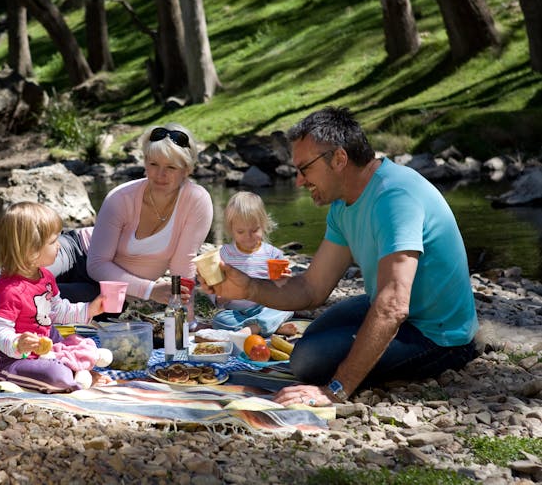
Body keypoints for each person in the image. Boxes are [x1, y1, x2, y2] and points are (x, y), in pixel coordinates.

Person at [200, 106, 479, 407]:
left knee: (309, 361)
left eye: (304, 168)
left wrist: (335, 389)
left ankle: (455, 355)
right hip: (395, 307)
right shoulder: (344, 205)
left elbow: (394, 305)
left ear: (339, 159)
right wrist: (248, 287)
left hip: (439, 335)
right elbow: (311, 288)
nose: (298, 181)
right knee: (308, 347)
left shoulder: (395, 197)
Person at [0, 122, 213, 307]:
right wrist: (150, 290)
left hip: (113, 289)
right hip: (77, 252)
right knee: (20, 272)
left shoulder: (197, 202)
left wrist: (187, 326)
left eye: (171, 167)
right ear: (144, 163)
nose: (161, 174)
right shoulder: (121, 197)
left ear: (187, 169)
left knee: (36, 298)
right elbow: (97, 264)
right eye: (153, 164)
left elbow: (183, 268)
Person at [0, 202, 113, 393]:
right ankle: (75, 373)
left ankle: (75, 367)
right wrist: (18, 343)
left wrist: (89, 309)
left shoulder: (45, 276)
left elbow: (57, 310)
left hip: (44, 345)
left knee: (78, 341)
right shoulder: (9, 290)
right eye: (52, 242)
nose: (59, 246)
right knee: (55, 376)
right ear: (30, 250)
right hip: (9, 358)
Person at [209, 191, 296, 337]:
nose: (248, 237)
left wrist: (284, 282)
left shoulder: (273, 254)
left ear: (263, 224)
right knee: (219, 319)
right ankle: (269, 327)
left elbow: (282, 291)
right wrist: (220, 296)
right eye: (241, 232)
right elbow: (215, 292)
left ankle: (251, 330)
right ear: (231, 230)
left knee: (287, 307)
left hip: (264, 307)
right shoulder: (224, 254)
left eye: (254, 230)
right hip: (236, 312)